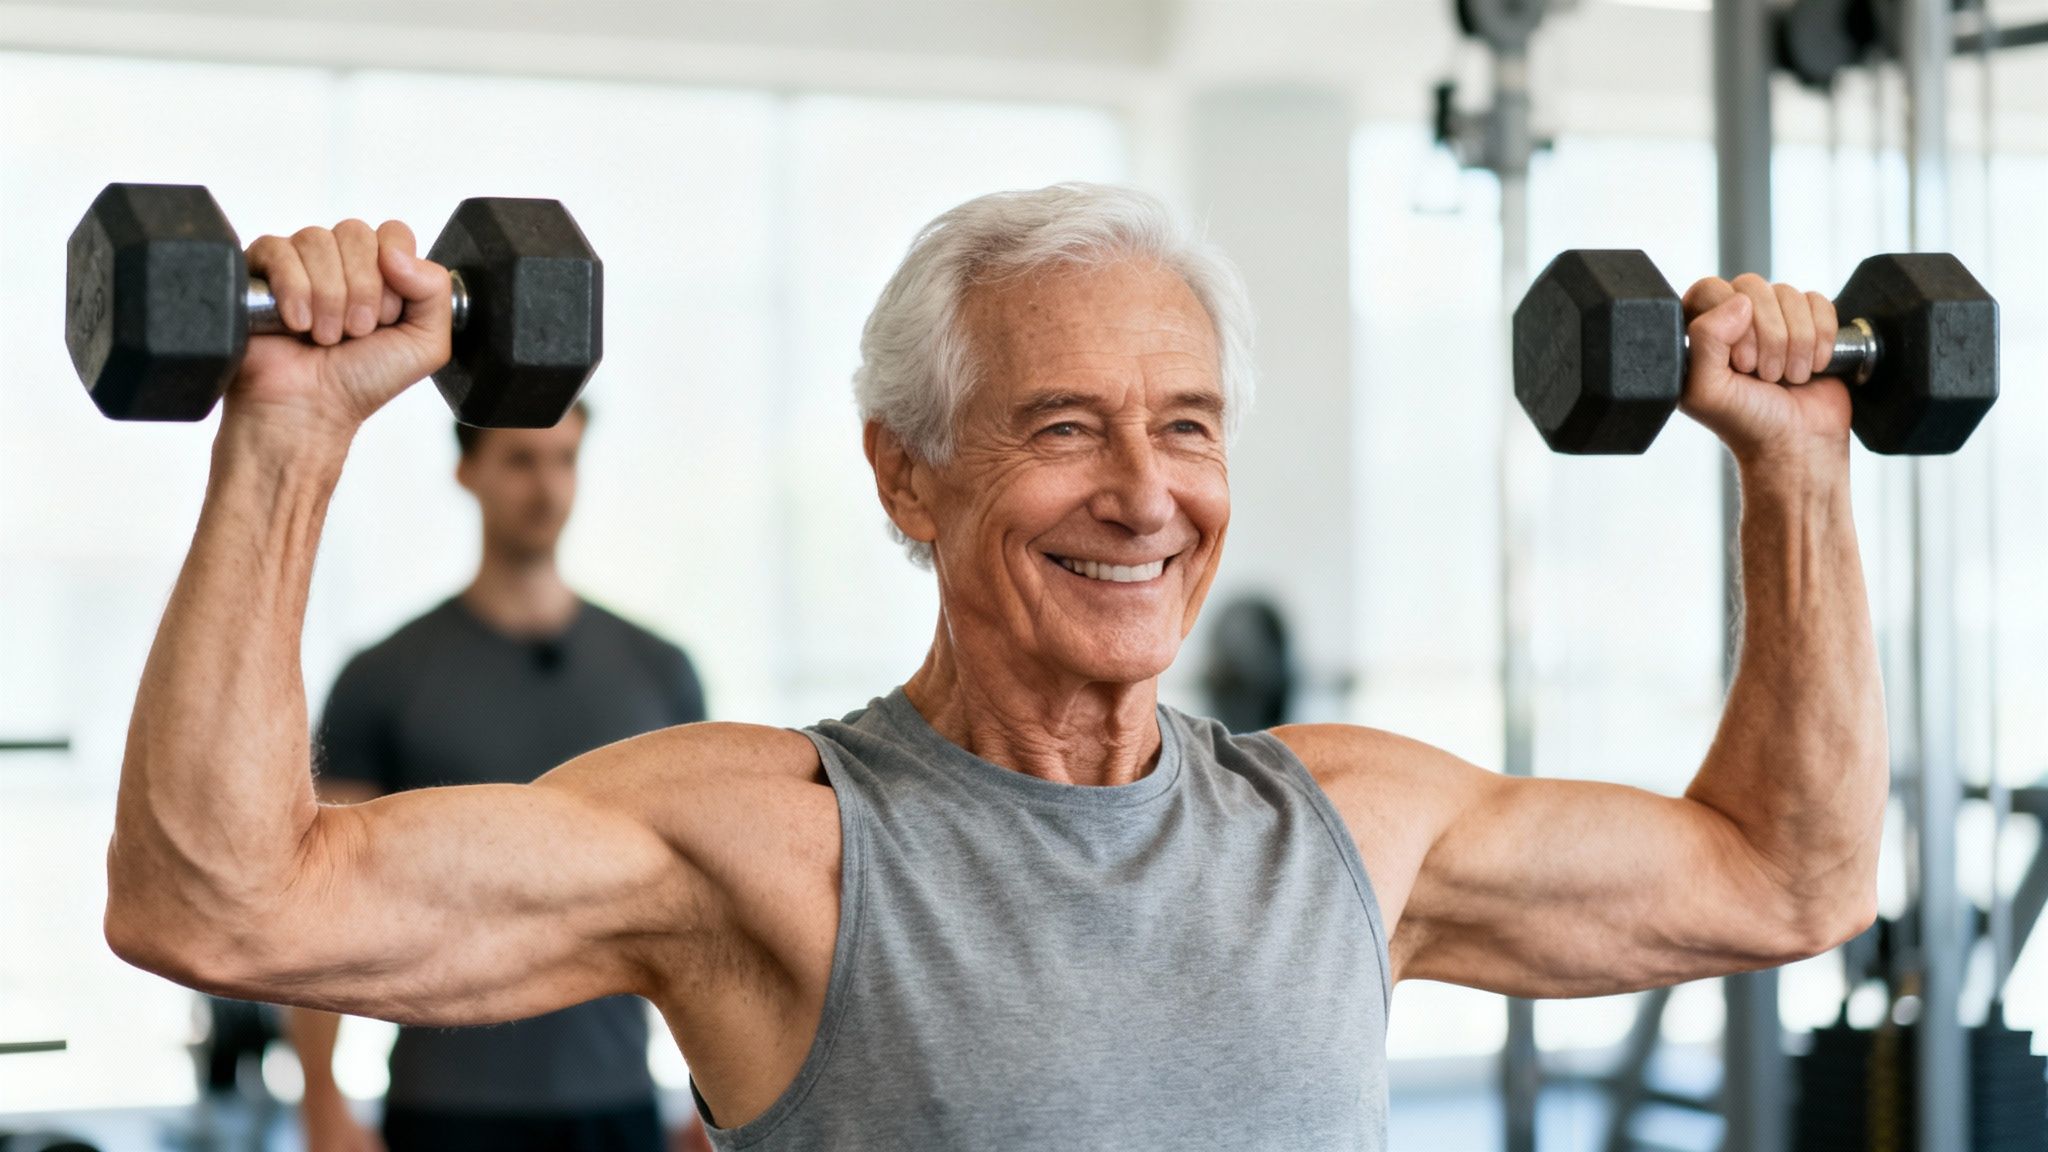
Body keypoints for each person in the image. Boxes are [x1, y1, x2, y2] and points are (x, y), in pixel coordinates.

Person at [104, 184, 1885, 1151]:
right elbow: (222, 905)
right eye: (1062, 428)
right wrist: (289, 432)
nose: (1142, 494)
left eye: (1183, 426)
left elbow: (1785, 871)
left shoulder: (1352, 823)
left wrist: (1795, 470)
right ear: (906, 471)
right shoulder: (766, 841)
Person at [284, 403, 714, 1152]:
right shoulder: (384, 678)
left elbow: (705, 903)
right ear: (467, 471)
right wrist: (321, 1098)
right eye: (520, 460)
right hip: (445, 1106)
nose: (545, 487)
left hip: (615, 1103)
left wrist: (716, 1098)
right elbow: (315, 901)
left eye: (563, 460)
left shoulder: (658, 674)